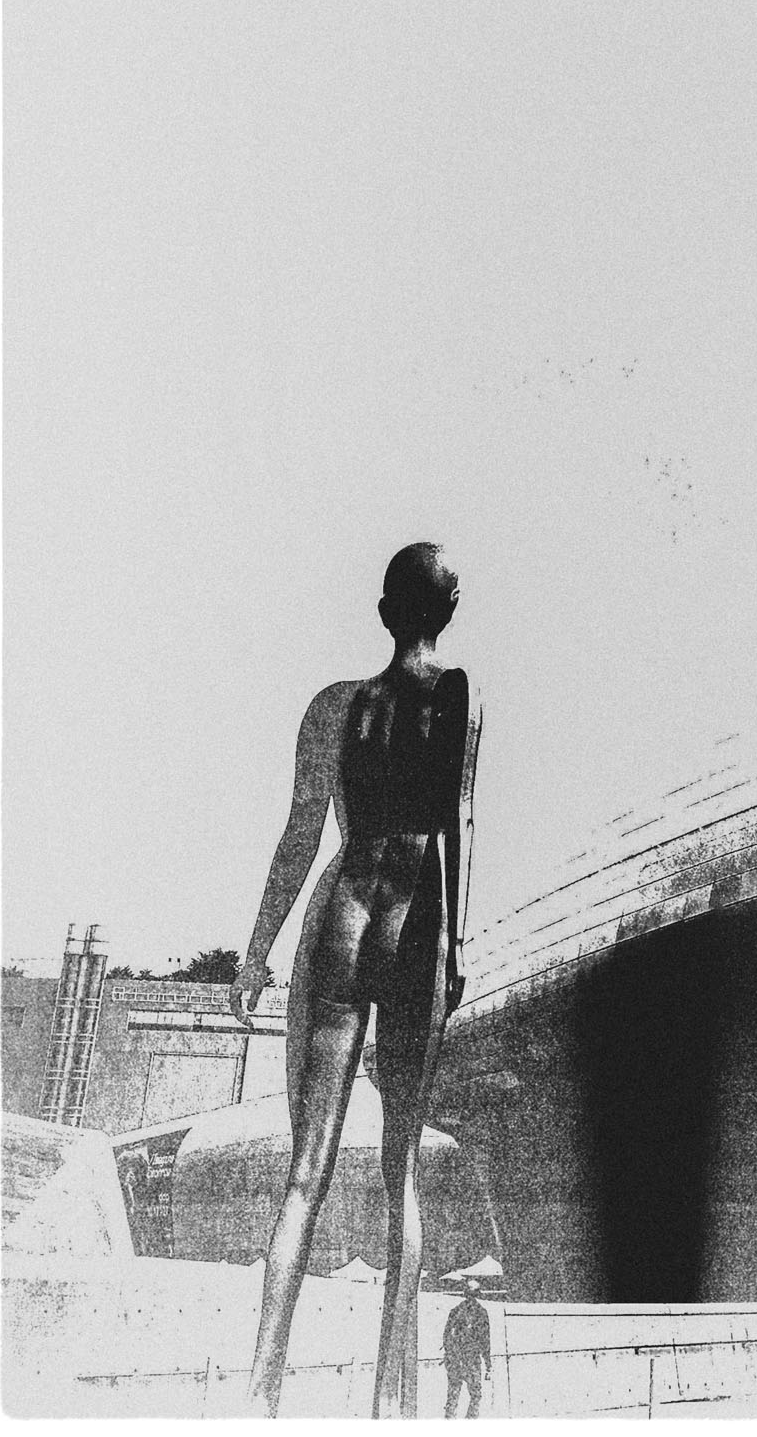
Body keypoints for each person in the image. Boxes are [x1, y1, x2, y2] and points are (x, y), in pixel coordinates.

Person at [231, 543, 480, 1417]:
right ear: (448, 611)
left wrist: (255, 949)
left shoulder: (333, 706)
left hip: (341, 908)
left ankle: (260, 1396)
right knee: (399, 1169)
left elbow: (302, 833)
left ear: (384, 611)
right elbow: (458, 822)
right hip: (417, 917)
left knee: (307, 1171)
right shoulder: (459, 693)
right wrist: (455, 951)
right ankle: (390, 1407)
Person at [442, 1281, 493, 1418]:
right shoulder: (481, 1312)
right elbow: (485, 1341)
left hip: (456, 1358)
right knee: (475, 1395)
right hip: (471, 1359)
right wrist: (488, 1364)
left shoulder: (455, 1310)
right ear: (478, 1294)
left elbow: (446, 1336)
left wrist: (450, 1354)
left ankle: (450, 1420)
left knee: (453, 1394)